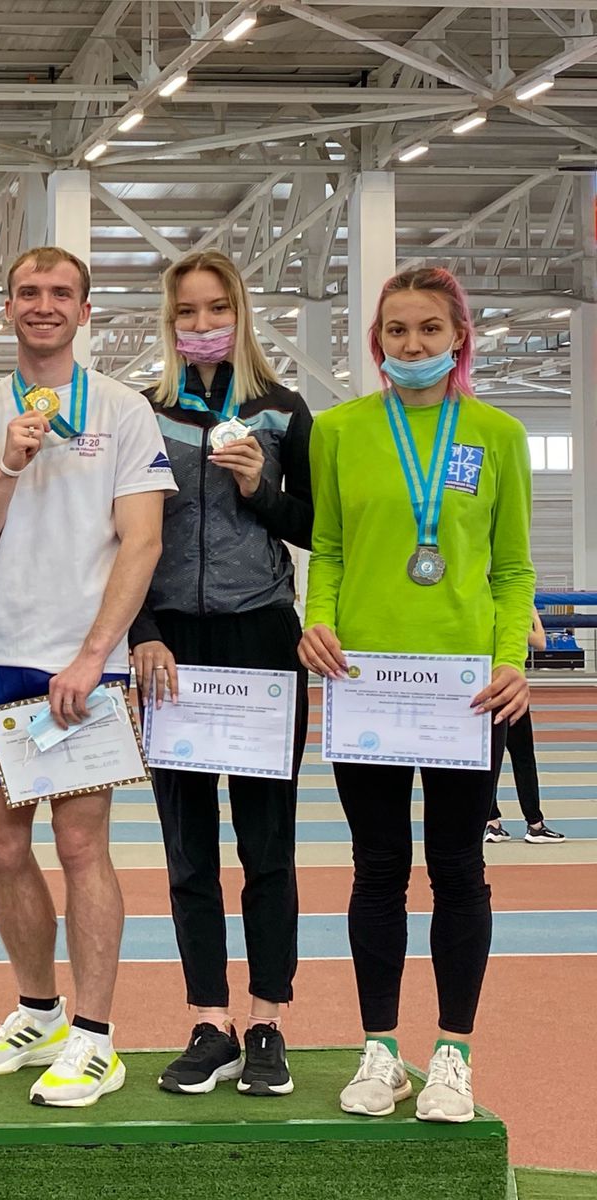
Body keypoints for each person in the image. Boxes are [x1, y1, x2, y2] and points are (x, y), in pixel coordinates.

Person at [299, 266, 534, 1123]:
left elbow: (513, 567)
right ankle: (380, 1050)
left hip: (466, 692)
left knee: (460, 868)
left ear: (458, 338)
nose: (412, 345)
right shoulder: (339, 430)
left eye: (429, 329)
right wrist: (317, 620)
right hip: (364, 682)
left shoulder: (498, 434)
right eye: (396, 331)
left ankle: (453, 1056)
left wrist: (510, 659)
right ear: (377, 342)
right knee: (377, 868)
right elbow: (327, 547)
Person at [0, 247, 175, 1107]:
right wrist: (7, 466)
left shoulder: (123, 410)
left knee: (82, 847)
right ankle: (39, 1012)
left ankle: (95, 1037)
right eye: (28, 293)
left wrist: (93, 655)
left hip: (88, 662)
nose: (43, 305)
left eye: (60, 294)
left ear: (84, 311)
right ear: (7, 307)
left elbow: (142, 541)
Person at [126, 249, 313, 1098]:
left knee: (267, 842)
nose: (201, 325)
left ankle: (268, 1019)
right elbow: (122, 535)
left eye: (215, 309)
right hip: (172, 646)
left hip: (263, 637)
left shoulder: (282, 409)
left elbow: (316, 526)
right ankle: (210, 1020)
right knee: (188, 847)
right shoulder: (145, 412)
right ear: (170, 324)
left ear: (240, 313)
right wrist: (141, 632)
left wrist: (263, 489)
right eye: (186, 312)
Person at [485, 610, 565, 844]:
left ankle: (492, 823)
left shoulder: (481, 613)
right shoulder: (509, 614)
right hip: (510, 692)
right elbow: (540, 641)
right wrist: (533, 613)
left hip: (486, 690)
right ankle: (535, 825)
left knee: (489, 760)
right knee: (524, 759)